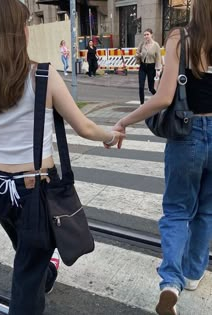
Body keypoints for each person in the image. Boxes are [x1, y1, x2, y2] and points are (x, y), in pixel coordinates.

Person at [0, 1, 124, 315]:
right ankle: (39, 281)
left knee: (29, 251)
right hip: (35, 189)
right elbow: (83, 127)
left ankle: (45, 274)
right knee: (27, 275)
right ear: (19, 32)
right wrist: (111, 135)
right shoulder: (42, 75)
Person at [112, 0, 212, 314]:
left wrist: (124, 121)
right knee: (207, 210)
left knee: (177, 211)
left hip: (188, 134)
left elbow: (165, 97)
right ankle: (194, 273)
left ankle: (171, 282)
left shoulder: (181, 37)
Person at [136, 28, 162, 104]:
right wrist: (139, 55)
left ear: (151, 35)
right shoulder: (142, 44)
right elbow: (137, 53)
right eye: (144, 35)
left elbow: (158, 58)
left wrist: (158, 70)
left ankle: (159, 99)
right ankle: (142, 104)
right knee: (141, 86)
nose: (146, 36)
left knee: (151, 88)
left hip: (151, 67)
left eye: (147, 34)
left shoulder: (156, 45)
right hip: (143, 67)